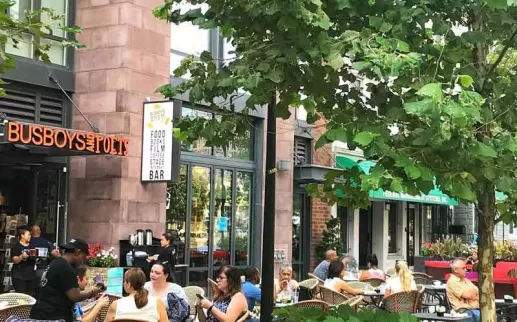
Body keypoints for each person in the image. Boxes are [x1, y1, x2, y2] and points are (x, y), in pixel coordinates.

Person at [30, 238, 101, 322]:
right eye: (83, 257)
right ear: (78, 252)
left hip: (41, 313)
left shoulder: (55, 263)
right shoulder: (66, 268)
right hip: (52, 317)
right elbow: (75, 296)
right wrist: (92, 292)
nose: (82, 262)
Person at [29, 224, 60, 290]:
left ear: (31, 232)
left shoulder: (28, 242)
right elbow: (55, 254)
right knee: (41, 289)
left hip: (29, 269)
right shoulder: (46, 242)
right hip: (42, 269)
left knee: (30, 290)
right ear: (39, 231)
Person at [11, 226, 37, 295]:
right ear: (22, 236)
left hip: (31, 275)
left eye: (30, 235)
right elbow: (15, 260)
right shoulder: (16, 246)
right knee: (21, 297)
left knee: (30, 296)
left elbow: (34, 257)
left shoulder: (32, 246)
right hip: (19, 276)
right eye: (28, 235)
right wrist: (21, 256)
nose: (30, 236)